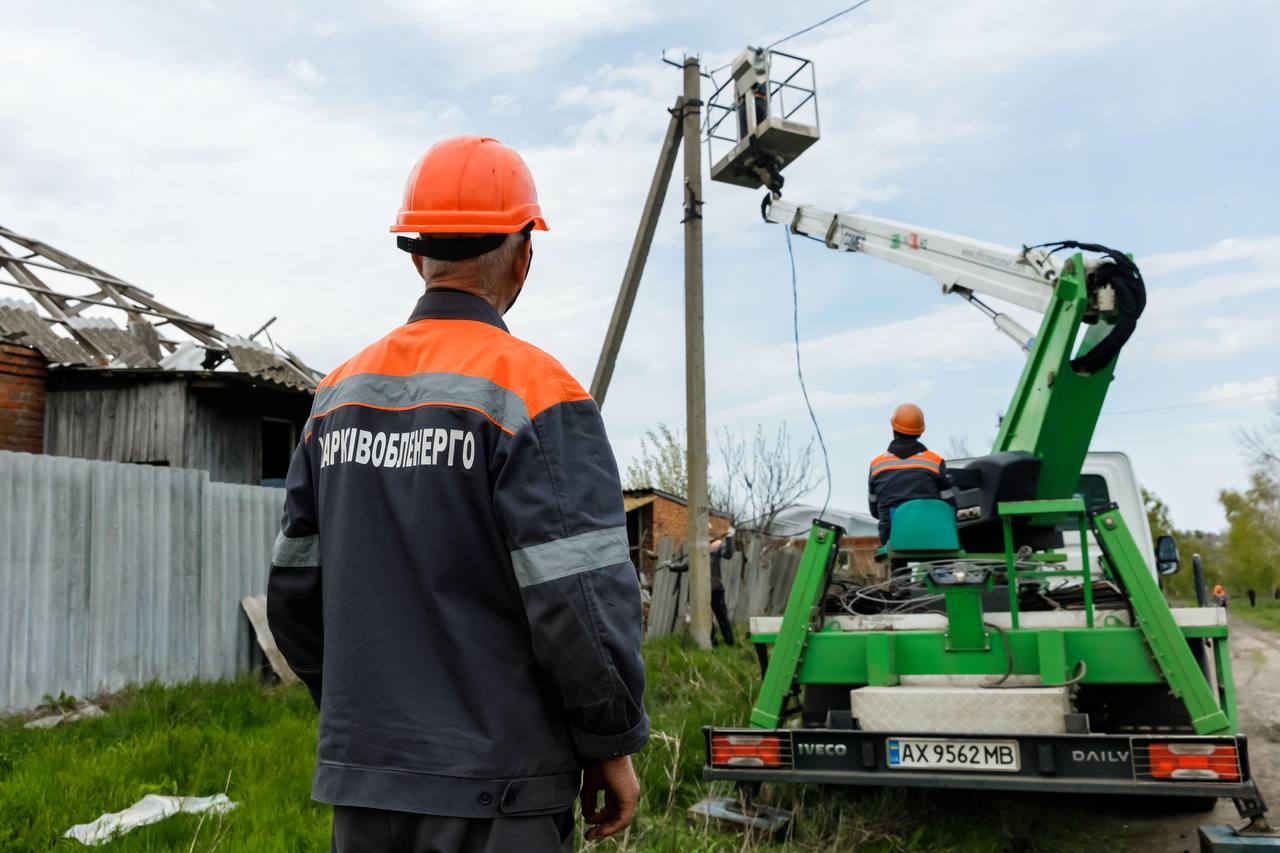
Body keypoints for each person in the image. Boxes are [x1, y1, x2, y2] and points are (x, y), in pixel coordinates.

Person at [267, 136, 648, 853]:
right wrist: (609, 739)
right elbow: (581, 604)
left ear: (417, 255)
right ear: (524, 254)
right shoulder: (538, 393)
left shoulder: (335, 398)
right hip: (499, 792)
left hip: (366, 788)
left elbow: (293, 596)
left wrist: (371, 726)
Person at [867, 403, 950, 545]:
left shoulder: (877, 465)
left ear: (893, 427)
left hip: (892, 537)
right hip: (931, 534)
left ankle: (897, 567)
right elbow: (949, 504)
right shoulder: (935, 462)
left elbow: (874, 510)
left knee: (898, 563)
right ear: (920, 431)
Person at [709, 522, 737, 646]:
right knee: (705, 618)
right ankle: (712, 642)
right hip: (700, 589)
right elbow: (688, 565)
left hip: (715, 588)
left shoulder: (717, 545)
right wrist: (672, 566)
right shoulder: (697, 547)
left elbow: (728, 554)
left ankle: (729, 642)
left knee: (722, 617)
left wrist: (729, 538)